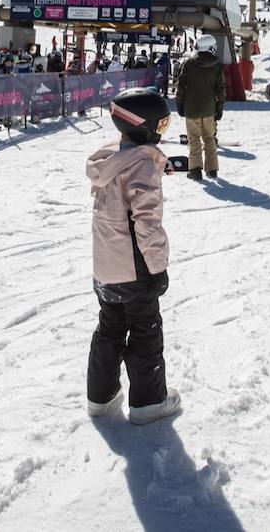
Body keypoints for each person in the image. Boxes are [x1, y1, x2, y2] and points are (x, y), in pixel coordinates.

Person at [85, 87, 180, 424]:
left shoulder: (112, 158)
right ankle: (149, 402)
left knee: (110, 326)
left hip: (107, 263)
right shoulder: (141, 165)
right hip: (135, 263)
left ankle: (101, 396)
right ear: (144, 126)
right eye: (161, 126)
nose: (162, 133)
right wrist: (158, 268)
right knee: (145, 328)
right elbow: (147, 223)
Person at [176, 34, 226, 180]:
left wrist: (179, 104)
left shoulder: (189, 64)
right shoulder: (217, 65)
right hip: (209, 109)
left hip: (191, 109)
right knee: (209, 138)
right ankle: (212, 170)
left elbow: (181, 87)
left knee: (194, 139)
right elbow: (221, 89)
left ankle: (195, 170)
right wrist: (220, 106)